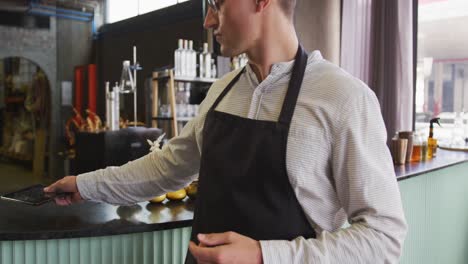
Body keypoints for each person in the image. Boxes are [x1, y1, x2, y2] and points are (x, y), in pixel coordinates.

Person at [45, 0, 408, 263]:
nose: (207, 20)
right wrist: (85, 184)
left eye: (217, 4)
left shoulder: (344, 98)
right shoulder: (222, 91)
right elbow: (167, 168)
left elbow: (384, 238)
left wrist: (266, 256)